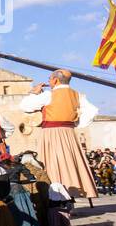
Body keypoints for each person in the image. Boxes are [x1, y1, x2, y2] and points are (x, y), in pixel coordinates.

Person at [19, 71, 98, 201]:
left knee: (51, 163)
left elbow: (25, 106)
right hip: (69, 132)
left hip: (51, 132)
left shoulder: (49, 95)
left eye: (49, 79)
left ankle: (57, 196)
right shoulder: (77, 95)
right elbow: (91, 111)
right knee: (70, 162)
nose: (48, 81)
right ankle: (72, 193)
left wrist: (34, 93)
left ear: (55, 80)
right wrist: (74, 123)